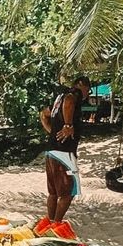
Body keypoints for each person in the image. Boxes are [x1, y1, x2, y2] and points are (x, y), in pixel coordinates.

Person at [39, 75, 89, 226]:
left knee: (53, 193)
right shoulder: (73, 94)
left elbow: (43, 114)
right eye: (88, 90)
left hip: (51, 152)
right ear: (82, 86)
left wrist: (52, 132)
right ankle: (57, 223)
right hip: (64, 152)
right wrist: (68, 125)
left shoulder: (57, 100)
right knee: (68, 193)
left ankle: (50, 223)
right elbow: (69, 100)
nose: (87, 94)